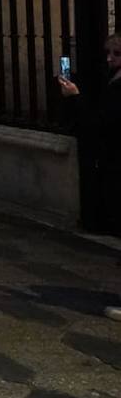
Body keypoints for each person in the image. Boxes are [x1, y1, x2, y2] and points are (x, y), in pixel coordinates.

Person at [59, 34, 121, 245]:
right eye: (108, 53)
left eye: (116, 54)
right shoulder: (112, 79)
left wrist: (76, 97)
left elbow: (102, 121)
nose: (110, 59)